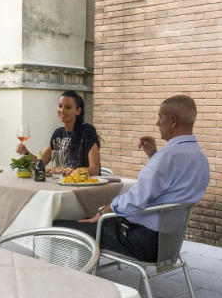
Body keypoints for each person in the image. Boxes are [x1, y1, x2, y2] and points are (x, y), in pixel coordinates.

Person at [54, 95, 210, 262]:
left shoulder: (168, 156)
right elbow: (173, 185)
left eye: (160, 117)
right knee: (92, 221)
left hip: (142, 241)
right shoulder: (199, 156)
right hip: (169, 242)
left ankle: (66, 272)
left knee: (56, 225)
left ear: (172, 121)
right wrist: (153, 156)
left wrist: (104, 210)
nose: (157, 123)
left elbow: (136, 199)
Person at [15, 90, 100, 175]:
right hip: (63, 181)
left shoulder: (87, 131)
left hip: (86, 182)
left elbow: (95, 169)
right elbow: (40, 163)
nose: (62, 110)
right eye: (60, 106)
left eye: (68, 107)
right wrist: (25, 152)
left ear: (78, 111)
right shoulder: (58, 134)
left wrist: (74, 172)